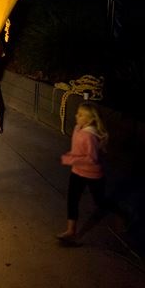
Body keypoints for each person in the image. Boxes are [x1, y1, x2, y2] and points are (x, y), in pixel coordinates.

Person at [57, 101, 115, 241]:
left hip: (93, 175)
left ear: (90, 119)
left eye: (81, 115)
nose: (77, 116)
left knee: (100, 201)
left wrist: (70, 159)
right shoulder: (78, 128)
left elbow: (92, 159)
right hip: (77, 171)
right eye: (78, 113)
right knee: (72, 200)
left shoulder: (90, 136)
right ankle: (71, 230)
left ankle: (121, 215)